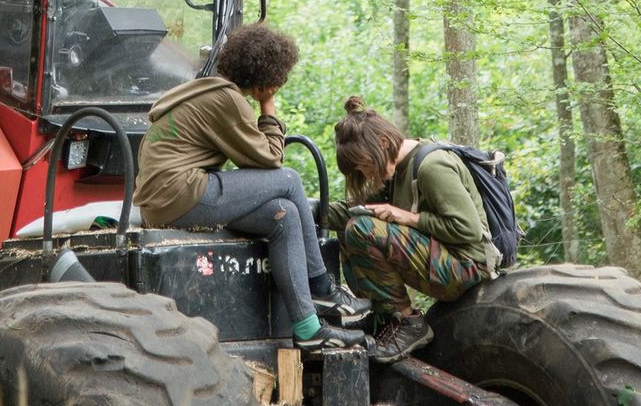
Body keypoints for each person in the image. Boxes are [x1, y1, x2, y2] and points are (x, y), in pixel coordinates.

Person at [135, 24, 371, 351]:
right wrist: (268, 107)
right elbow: (271, 158)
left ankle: (308, 329)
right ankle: (323, 288)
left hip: (171, 196)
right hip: (179, 193)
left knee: (283, 215)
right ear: (267, 78)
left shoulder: (209, 90)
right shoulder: (227, 100)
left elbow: (250, 164)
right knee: (288, 180)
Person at [327, 97, 501, 363]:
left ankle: (409, 324)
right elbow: (349, 212)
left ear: (383, 144)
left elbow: (469, 230)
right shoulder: (394, 172)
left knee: (360, 229)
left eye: (365, 164)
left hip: (467, 265)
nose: (365, 173)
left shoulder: (432, 166)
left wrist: (409, 217)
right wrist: (303, 209)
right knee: (349, 227)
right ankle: (381, 319)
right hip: (443, 258)